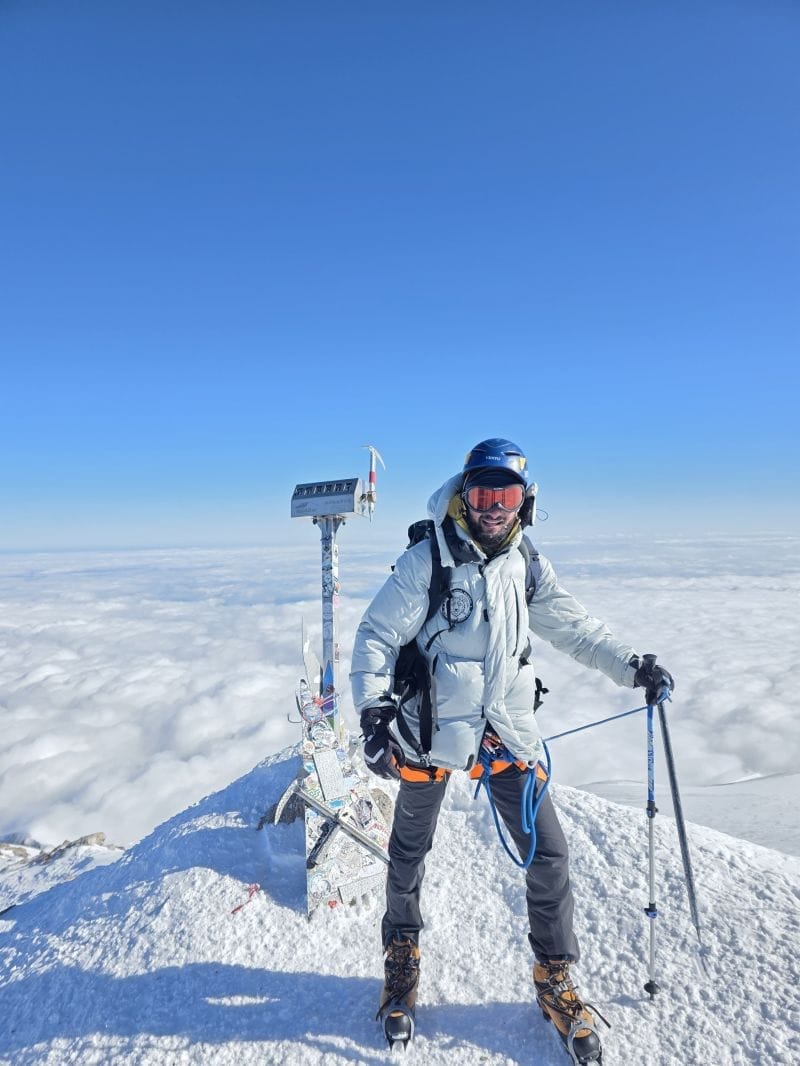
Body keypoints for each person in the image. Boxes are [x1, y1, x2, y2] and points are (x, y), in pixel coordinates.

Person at [349, 438, 674, 1064]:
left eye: (509, 494)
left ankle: (554, 977)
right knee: (408, 850)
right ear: (463, 496)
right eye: (483, 492)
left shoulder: (527, 564)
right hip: (429, 732)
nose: (495, 506)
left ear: (527, 502)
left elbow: (576, 630)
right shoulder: (428, 561)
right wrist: (373, 711)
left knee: (548, 856)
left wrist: (632, 667)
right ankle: (402, 959)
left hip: (505, 732)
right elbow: (376, 636)